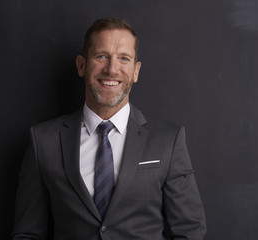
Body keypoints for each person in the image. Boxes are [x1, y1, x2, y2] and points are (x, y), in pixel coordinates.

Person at [12, 17, 206, 240]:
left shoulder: (168, 140)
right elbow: (27, 233)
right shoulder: (43, 141)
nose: (112, 69)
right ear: (82, 65)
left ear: (136, 71)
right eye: (101, 56)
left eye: (124, 58)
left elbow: (189, 231)